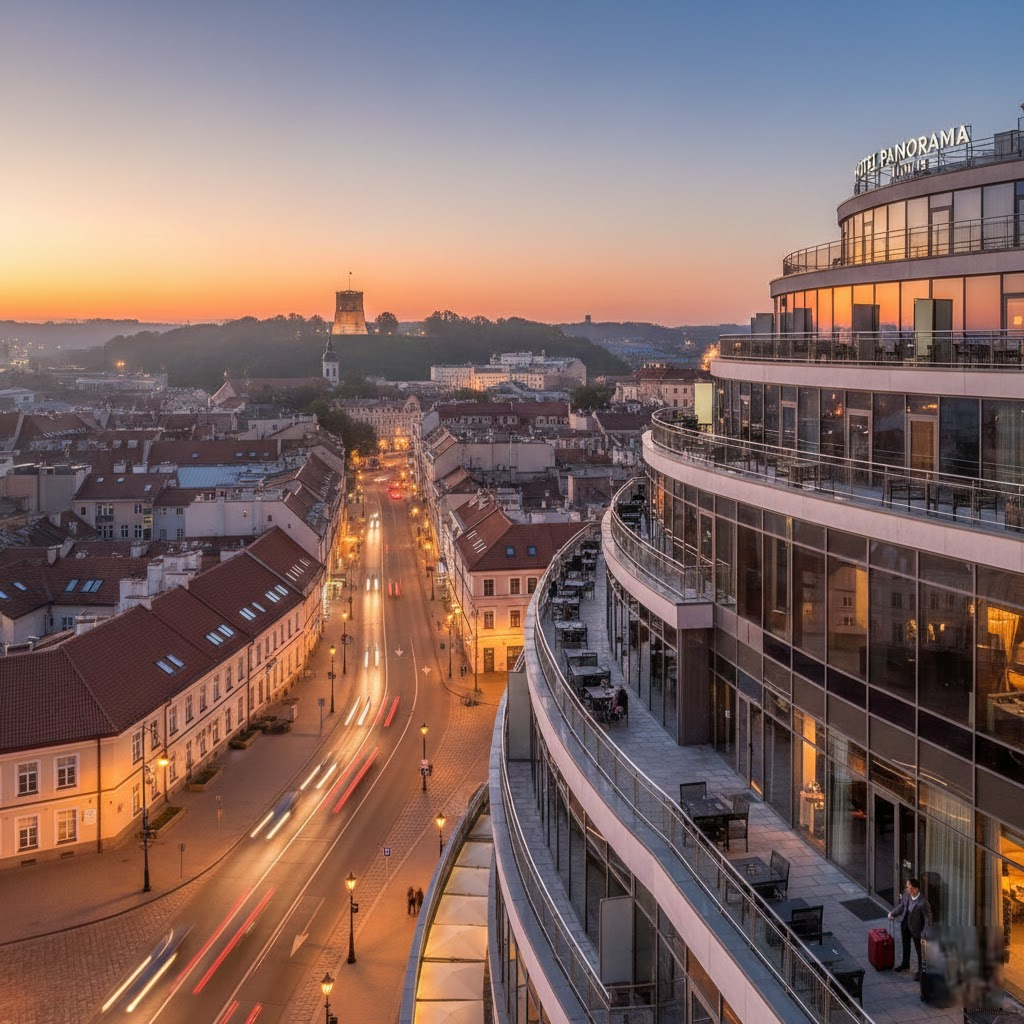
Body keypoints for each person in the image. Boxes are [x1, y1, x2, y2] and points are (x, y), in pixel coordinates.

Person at [889, 877, 932, 979]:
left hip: (917, 929)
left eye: (909, 887)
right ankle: (905, 964)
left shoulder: (923, 902)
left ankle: (921, 971)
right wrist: (892, 913)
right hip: (905, 925)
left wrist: (924, 933)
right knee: (906, 946)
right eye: (907, 886)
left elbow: (928, 919)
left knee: (919, 951)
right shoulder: (907, 895)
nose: (907, 888)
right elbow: (902, 906)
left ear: (916, 889)